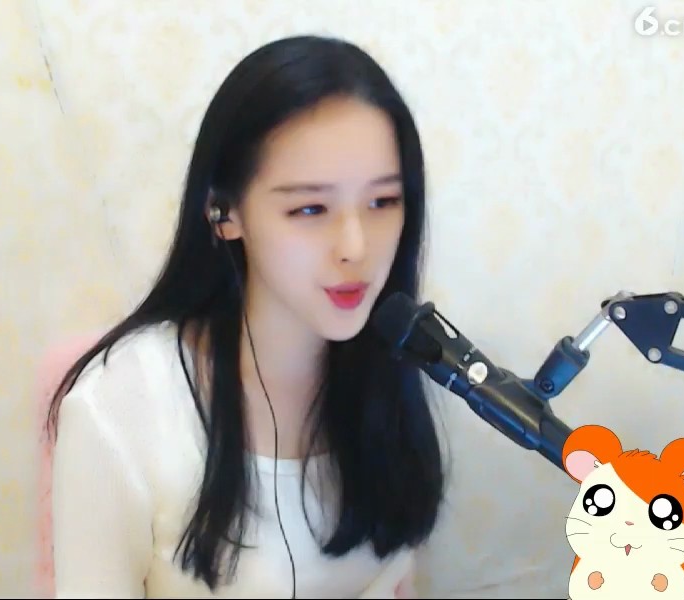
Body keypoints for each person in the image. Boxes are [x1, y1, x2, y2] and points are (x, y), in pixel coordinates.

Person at [45, 34, 446, 599]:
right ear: (223, 212)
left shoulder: (389, 362)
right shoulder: (121, 407)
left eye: (383, 202)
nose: (356, 247)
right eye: (310, 208)